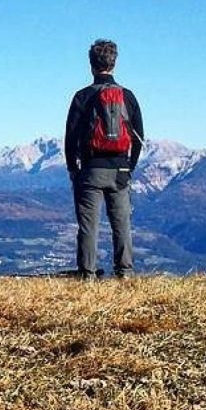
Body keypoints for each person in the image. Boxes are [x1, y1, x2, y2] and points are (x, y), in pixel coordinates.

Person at [64, 39, 145, 280]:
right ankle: (125, 272)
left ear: (91, 65)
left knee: (89, 226)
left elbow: (70, 138)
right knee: (121, 223)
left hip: (90, 170)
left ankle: (87, 275)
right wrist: (129, 166)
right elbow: (139, 137)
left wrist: (73, 168)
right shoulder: (128, 97)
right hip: (120, 169)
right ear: (114, 63)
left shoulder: (82, 97)